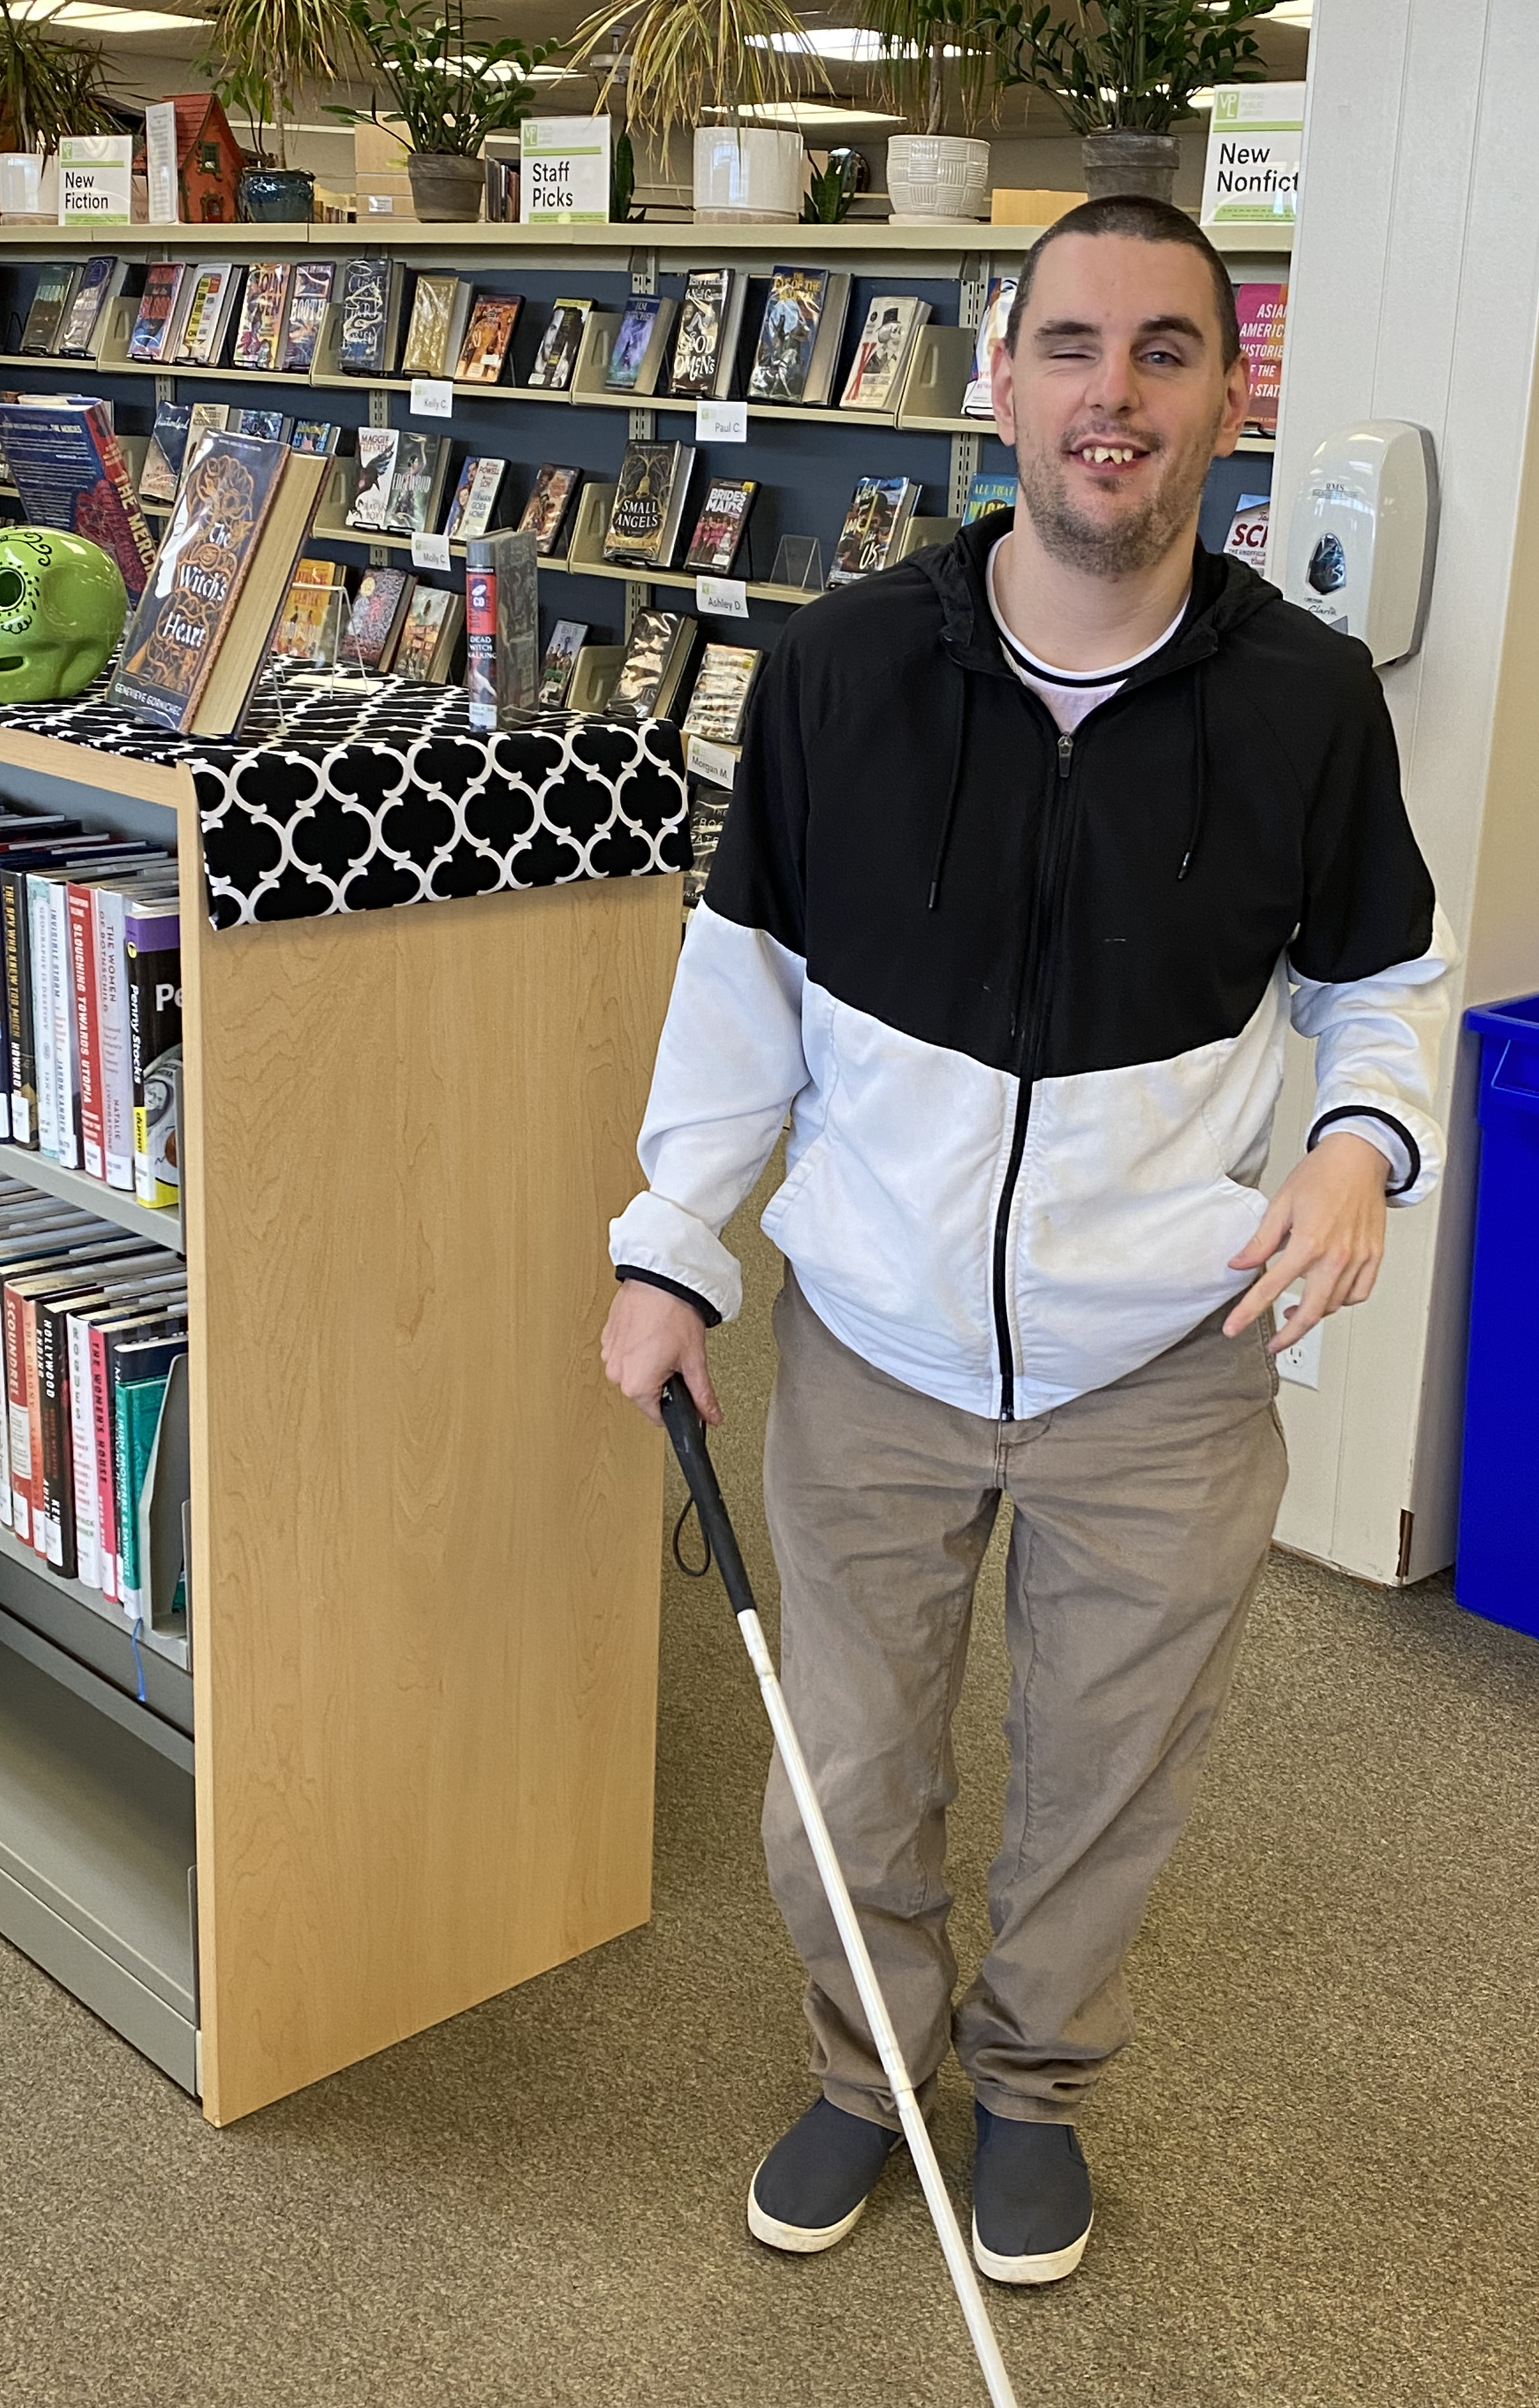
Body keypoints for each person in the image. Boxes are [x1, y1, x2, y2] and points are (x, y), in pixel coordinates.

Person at [602, 196, 1453, 2287]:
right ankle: (866, 2062)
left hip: (1161, 1368)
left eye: (1166, 353)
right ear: (1000, 383)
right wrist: (670, 1242)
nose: (1114, 397)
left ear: (1228, 399)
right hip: (876, 1346)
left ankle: (1033, 2082)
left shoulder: (1312, 703)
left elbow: (1387, 987)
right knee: (841, 1775)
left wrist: (1358, 1149)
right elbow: (744, 989)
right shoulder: (836, 673)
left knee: (1102, 1780)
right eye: (1071, 347)